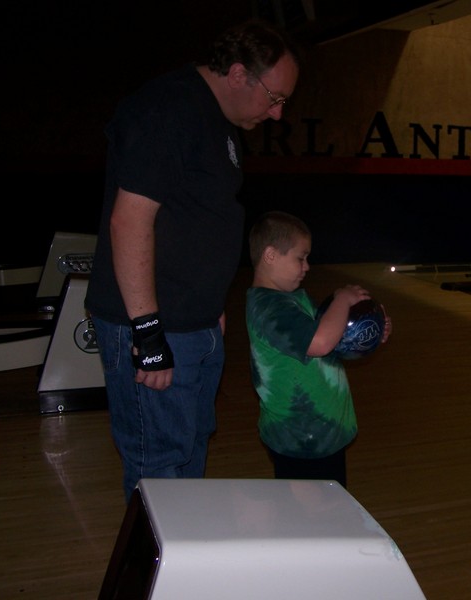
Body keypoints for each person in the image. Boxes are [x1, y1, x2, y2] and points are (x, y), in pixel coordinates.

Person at [85, 21, 301, 503]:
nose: (278, 113)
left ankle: (183, 550)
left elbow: (197, 220)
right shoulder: (167, 109)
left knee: (188, 453)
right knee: (159, 470)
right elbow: (129, 222)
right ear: (239, 74)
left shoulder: (218, 120)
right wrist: (148, 335)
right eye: (274, 98)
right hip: (155, 329)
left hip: (195, 324)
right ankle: (155, 555)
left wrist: (209, 306)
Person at [245, 211, 392, 488]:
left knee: (330, 506)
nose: (307, 267)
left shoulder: (293, 299)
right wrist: (342, 300)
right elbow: (321, 342)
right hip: (302, 440)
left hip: (320, 434)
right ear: (270, 255)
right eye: (300, 258)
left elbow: (334, 339)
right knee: (313, 512)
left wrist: (369, 333)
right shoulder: (270, 309)